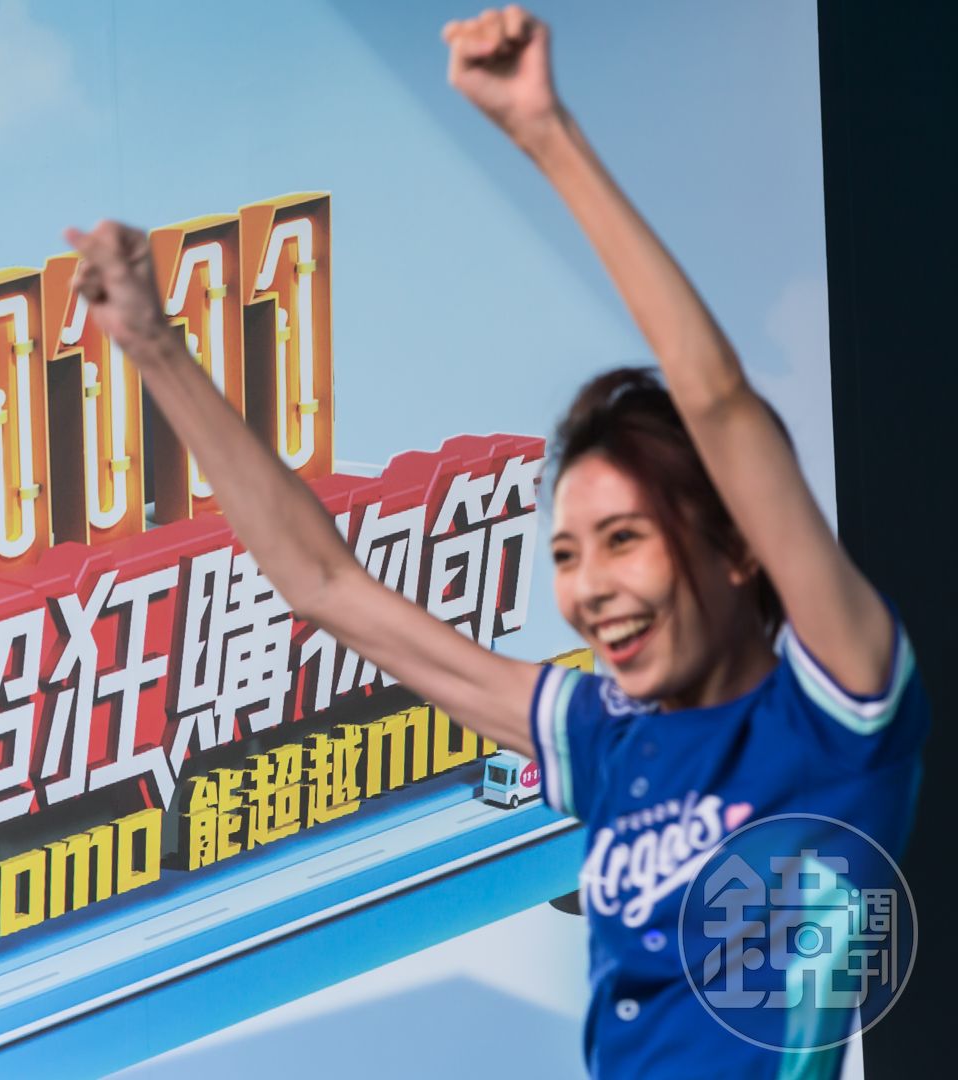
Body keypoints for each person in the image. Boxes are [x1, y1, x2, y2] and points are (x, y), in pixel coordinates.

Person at [64, 7, 927, 1077]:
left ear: (737, 548)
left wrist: (543, 132)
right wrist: (154, 349)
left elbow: (716, 401)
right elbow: (324, 584)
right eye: (565, 555)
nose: (589, 588)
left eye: (623, 539)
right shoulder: (605, 739)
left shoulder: (836, 712)